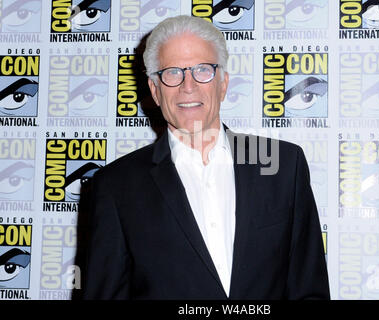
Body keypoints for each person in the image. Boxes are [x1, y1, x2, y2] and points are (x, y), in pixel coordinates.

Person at [81, 15, 329, 300]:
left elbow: (310, 289)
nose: (188, 86)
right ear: (155, 91)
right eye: (172, 72)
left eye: (203, 70)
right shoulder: (116, 186)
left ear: (223, 83)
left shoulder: (283, 166)